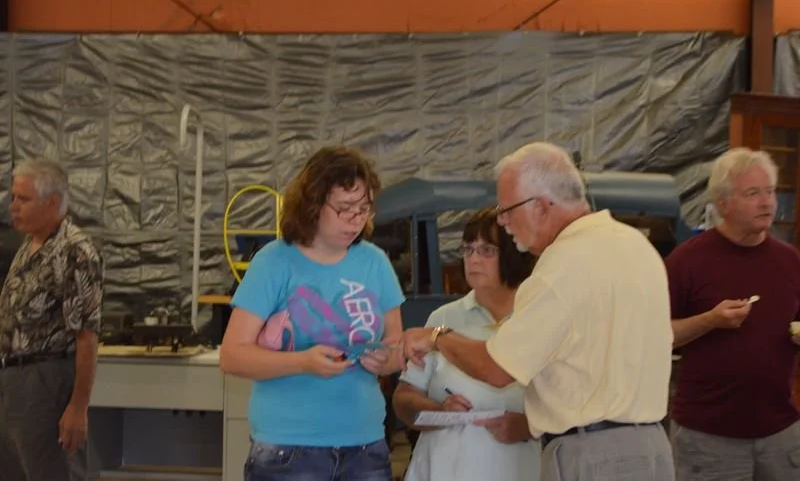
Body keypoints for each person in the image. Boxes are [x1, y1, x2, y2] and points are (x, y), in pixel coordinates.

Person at [401, 142, 675, 481]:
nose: (503, 221)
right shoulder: (635, 246)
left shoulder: (563, 263)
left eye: (507, 210)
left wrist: (437, 337)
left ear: (541, 206)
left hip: (592, 455)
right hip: (651, 447)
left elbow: (498, 368)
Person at [219, 146, 406, 481]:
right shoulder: (274, 262)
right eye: (344, 209)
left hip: (365, 445)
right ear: (313, 204)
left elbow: (396, 343)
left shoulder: (374, 261)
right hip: (288, 448)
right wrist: (303, 362)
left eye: (364, 209)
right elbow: (233, 356)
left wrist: (387, 360)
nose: (356, 220)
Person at [666, 147, 800, 480]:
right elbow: (657, 336)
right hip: (708, 439)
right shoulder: (687, 261)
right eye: (753, 193)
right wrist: (710, 320)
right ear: (723, 204)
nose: (768, 203)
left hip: (782, 432)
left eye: (770, 191)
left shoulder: (790, 261)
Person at [392, 207, 540, 481]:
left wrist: (529, 426)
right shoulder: (442, 319)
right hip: (444, 468)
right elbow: (403, 399)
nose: (473, 259)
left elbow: (569, 402)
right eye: (468, 249)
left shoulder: (538, 318)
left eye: (487, 250)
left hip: (520, 468)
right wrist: (439, 411)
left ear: (514, 255)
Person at [0, 158, 104, 481]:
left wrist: (77, 407)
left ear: (52, 202)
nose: (13, 206)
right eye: (13, 197)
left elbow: (86, 336)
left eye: (23, 199)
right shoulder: (28, 246)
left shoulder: (75, 250)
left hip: (46, 381)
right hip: (13, 381)